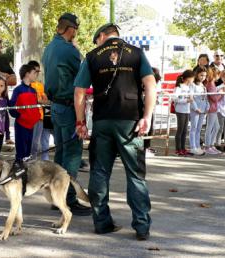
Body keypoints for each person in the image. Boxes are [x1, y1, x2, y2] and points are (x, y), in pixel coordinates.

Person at [74, 23, 157, 241]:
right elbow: (150, 85)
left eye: (97, 40)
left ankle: (101, 223)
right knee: (135, 174)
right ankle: (141, 226)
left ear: (102, 36)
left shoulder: (92, 56)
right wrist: (146, 117)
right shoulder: (136, 53)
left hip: (102, 121)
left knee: (100, 172)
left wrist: (80, 121)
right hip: (130, 120)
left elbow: (79, 92)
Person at [42, 12, 92, 216]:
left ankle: (57, 197)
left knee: (61, 154)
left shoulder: (49, 48)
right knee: (71, 155)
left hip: (55, 107)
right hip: (69, 107)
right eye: (75, 30)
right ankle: (69, 198)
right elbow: (82, 76)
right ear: (70, 29)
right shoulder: (69, 50)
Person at [8, 64, 40, 171]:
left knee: (28, 150)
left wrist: (35, 117)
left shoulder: (33, 91)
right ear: (27, 74)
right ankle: (17, 170)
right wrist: (20, 116)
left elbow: (34, 107)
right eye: (34, 72)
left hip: (31, 125)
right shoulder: (18, 90)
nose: (36, 75)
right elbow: (12, 107)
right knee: (21, 150)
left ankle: (25, 171)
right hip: (21, 124)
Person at [28, 60, 51, 161]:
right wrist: (40, 100)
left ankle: (44, 160)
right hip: (34, 116)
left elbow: (45, 101)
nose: (37, 74)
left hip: (45, 113)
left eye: (38, 71)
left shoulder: (41, 85)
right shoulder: (27, 85)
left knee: (45, 139)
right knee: (34, 142)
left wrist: (43, 101)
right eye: (35, 71)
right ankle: (32, 160)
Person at [173, 70, 194, 156]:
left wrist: (190, 98)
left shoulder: (189, 87)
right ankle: (178, 149)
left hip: (187, 110)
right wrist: (186, 100)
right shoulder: (179, 87)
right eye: (192, 78)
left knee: (185, 130)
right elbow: (176, 99)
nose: (193, 80)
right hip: (180, 110)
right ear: (188, 78)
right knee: (180, 130)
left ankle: (183, 148)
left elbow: (191, 97)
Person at [189, 67, 209, 155]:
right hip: (195, 109)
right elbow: (191, 98)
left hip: (203, 109)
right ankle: (192, 147)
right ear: (197, 74)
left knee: (199, 129)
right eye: (201, 75)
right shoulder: (193, 85)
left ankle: (198, 146)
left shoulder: (203, 85)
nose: (203, 77)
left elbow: (205, 97)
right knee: (193, 128)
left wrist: (207, 107)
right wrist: (195, 108)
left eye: (204, 75)